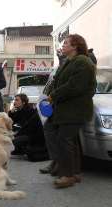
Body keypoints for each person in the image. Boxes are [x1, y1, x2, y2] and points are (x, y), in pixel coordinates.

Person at [40, 34, 97, 188]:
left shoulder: (83, 62)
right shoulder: (69, 61)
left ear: (75, 46)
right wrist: (50, 94)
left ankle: (67, 175)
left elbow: (73, 86)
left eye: (66, 43)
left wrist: (53, 96)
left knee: (64, 140)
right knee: (69, 140)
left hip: (75, 110)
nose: (63, 46)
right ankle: (75, 172)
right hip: (65, 109)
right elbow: (57, 81)